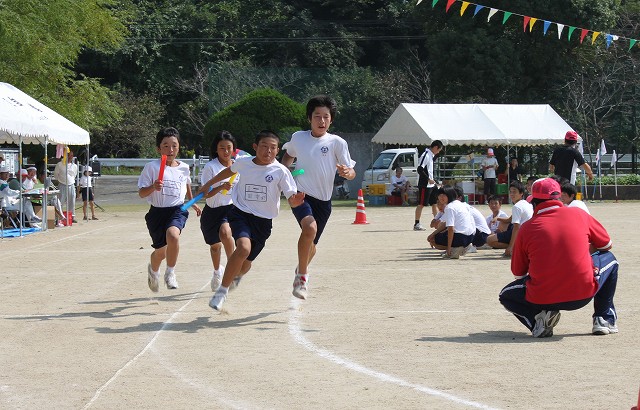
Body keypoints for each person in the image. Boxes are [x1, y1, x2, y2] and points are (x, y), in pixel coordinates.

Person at [498, 178, 619, 337]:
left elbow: (518, 273)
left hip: (542, 298)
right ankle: (603, 318)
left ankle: (537, 322)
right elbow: (606, 245)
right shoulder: (578, 214)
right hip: (582, 295)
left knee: (506, 295)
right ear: (560, 197)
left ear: (533, 201)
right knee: (610, 259)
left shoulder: (527, 227)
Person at [202, 130, 305, 311]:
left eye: (273, 148)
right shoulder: (243, 163)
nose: (268, 151)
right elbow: (228, 171)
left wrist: (294, 201)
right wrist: (208, 184)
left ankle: (234, 276)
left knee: (244, 266)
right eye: (264, 147)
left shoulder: (280, 171)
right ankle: (221, 292)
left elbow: (290, 194)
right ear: (255, 147)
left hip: (263, 222)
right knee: (242, 248)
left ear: (277, 150)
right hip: (240, 214)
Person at [281, 95, 356, 300]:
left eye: (326, 116)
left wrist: (346, 173)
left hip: (324, 201)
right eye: (317, 116)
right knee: (310, 229)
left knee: (312, 246)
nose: (321, 121)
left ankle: (300, 268)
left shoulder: (337, 143)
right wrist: (282, 171)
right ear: (309, 118)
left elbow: (351, 171)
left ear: (331, 120)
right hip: (302, 195)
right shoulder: (298, 137)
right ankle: (302, 278)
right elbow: (288, 155)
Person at [138, 127, 202, 292]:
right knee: (160, 253)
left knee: (173, 236)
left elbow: (185, 184)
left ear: (179, 147)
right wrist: (153, 186)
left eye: (174, 145)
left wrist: (191, 201)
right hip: (157, 213)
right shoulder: (151, 167)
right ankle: (153, 271)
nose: (170, 149)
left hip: (177, 210)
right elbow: (141, 193)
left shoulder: (184, 168)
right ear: (159, 148)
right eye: (166, 145)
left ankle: (170, 272)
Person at [200, 131, 237, 292]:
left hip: (230, 210)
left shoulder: (238, 166)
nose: (226, 151)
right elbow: (205, 193)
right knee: (215, 247)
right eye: (222, 148)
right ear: (216, 149)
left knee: (225, 232)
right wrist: (220, 187)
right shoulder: (211, 167)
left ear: (233, 149)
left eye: (229, 147)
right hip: (211, 211)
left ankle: (232, 268)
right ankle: (217, 271)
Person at [486, 180, 533, 257]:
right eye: (510, 192)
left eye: (514, 192)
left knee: (489, 240)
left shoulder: (517, 207)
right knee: (503, 223)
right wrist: (497, 218)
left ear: (521, 193)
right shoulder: (526, 204)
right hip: (527, 233)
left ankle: (514, 247)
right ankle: (516, 246)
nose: (511, 194)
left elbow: (516, 227)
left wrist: (510, 247)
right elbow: (509, 219)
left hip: (521, 233)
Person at [426, 186, 475, 259]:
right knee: (434, 235)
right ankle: (462, 247)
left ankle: (454, 250)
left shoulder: (449, 207)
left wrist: (448, 248)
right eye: (440, 195)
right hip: (470, 237)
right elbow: (446, 224)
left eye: (444, 195)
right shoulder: (459, 204)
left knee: (433, 240)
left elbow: (450, 229)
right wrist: (433, 233)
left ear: (450, 195)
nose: (441, 197)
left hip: (461, 237)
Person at [414, 140, 444, 231]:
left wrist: (433, 180)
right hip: (425, 185)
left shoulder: (432, 155)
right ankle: (417, 223)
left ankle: (437, 221)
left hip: (432, 185)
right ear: (435, 148)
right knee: (421, 204)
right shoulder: (425, 155)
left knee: (434, 203)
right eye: (439, 150)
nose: (438, 152)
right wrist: (428, 179)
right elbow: (419, 169)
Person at [54, 149, 78, 223]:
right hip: (62, 184)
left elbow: (74, 175)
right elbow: (56, 175)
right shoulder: (60, 164)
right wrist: (61, 180)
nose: (70, 157)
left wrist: (70, 181)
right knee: (60, 202)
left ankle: (72, 216)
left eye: (71, 155)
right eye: (68, 155)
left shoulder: (74, 166)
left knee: (72, 201)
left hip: (71, 185)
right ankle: (58, 217)